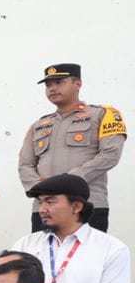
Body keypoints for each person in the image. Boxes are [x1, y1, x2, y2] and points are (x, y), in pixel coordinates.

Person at [18, 64, 124, 232]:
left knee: (86, 257)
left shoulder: (103, 114)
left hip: (88, 205)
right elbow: (25, 165)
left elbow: (110, 155)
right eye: (48, 85)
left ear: (78, 84)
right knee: (43, 257)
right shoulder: (38, 125)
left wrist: (67, 182)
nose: (52, 88)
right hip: (45, 210)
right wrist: (41, 189)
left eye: (59, 82)